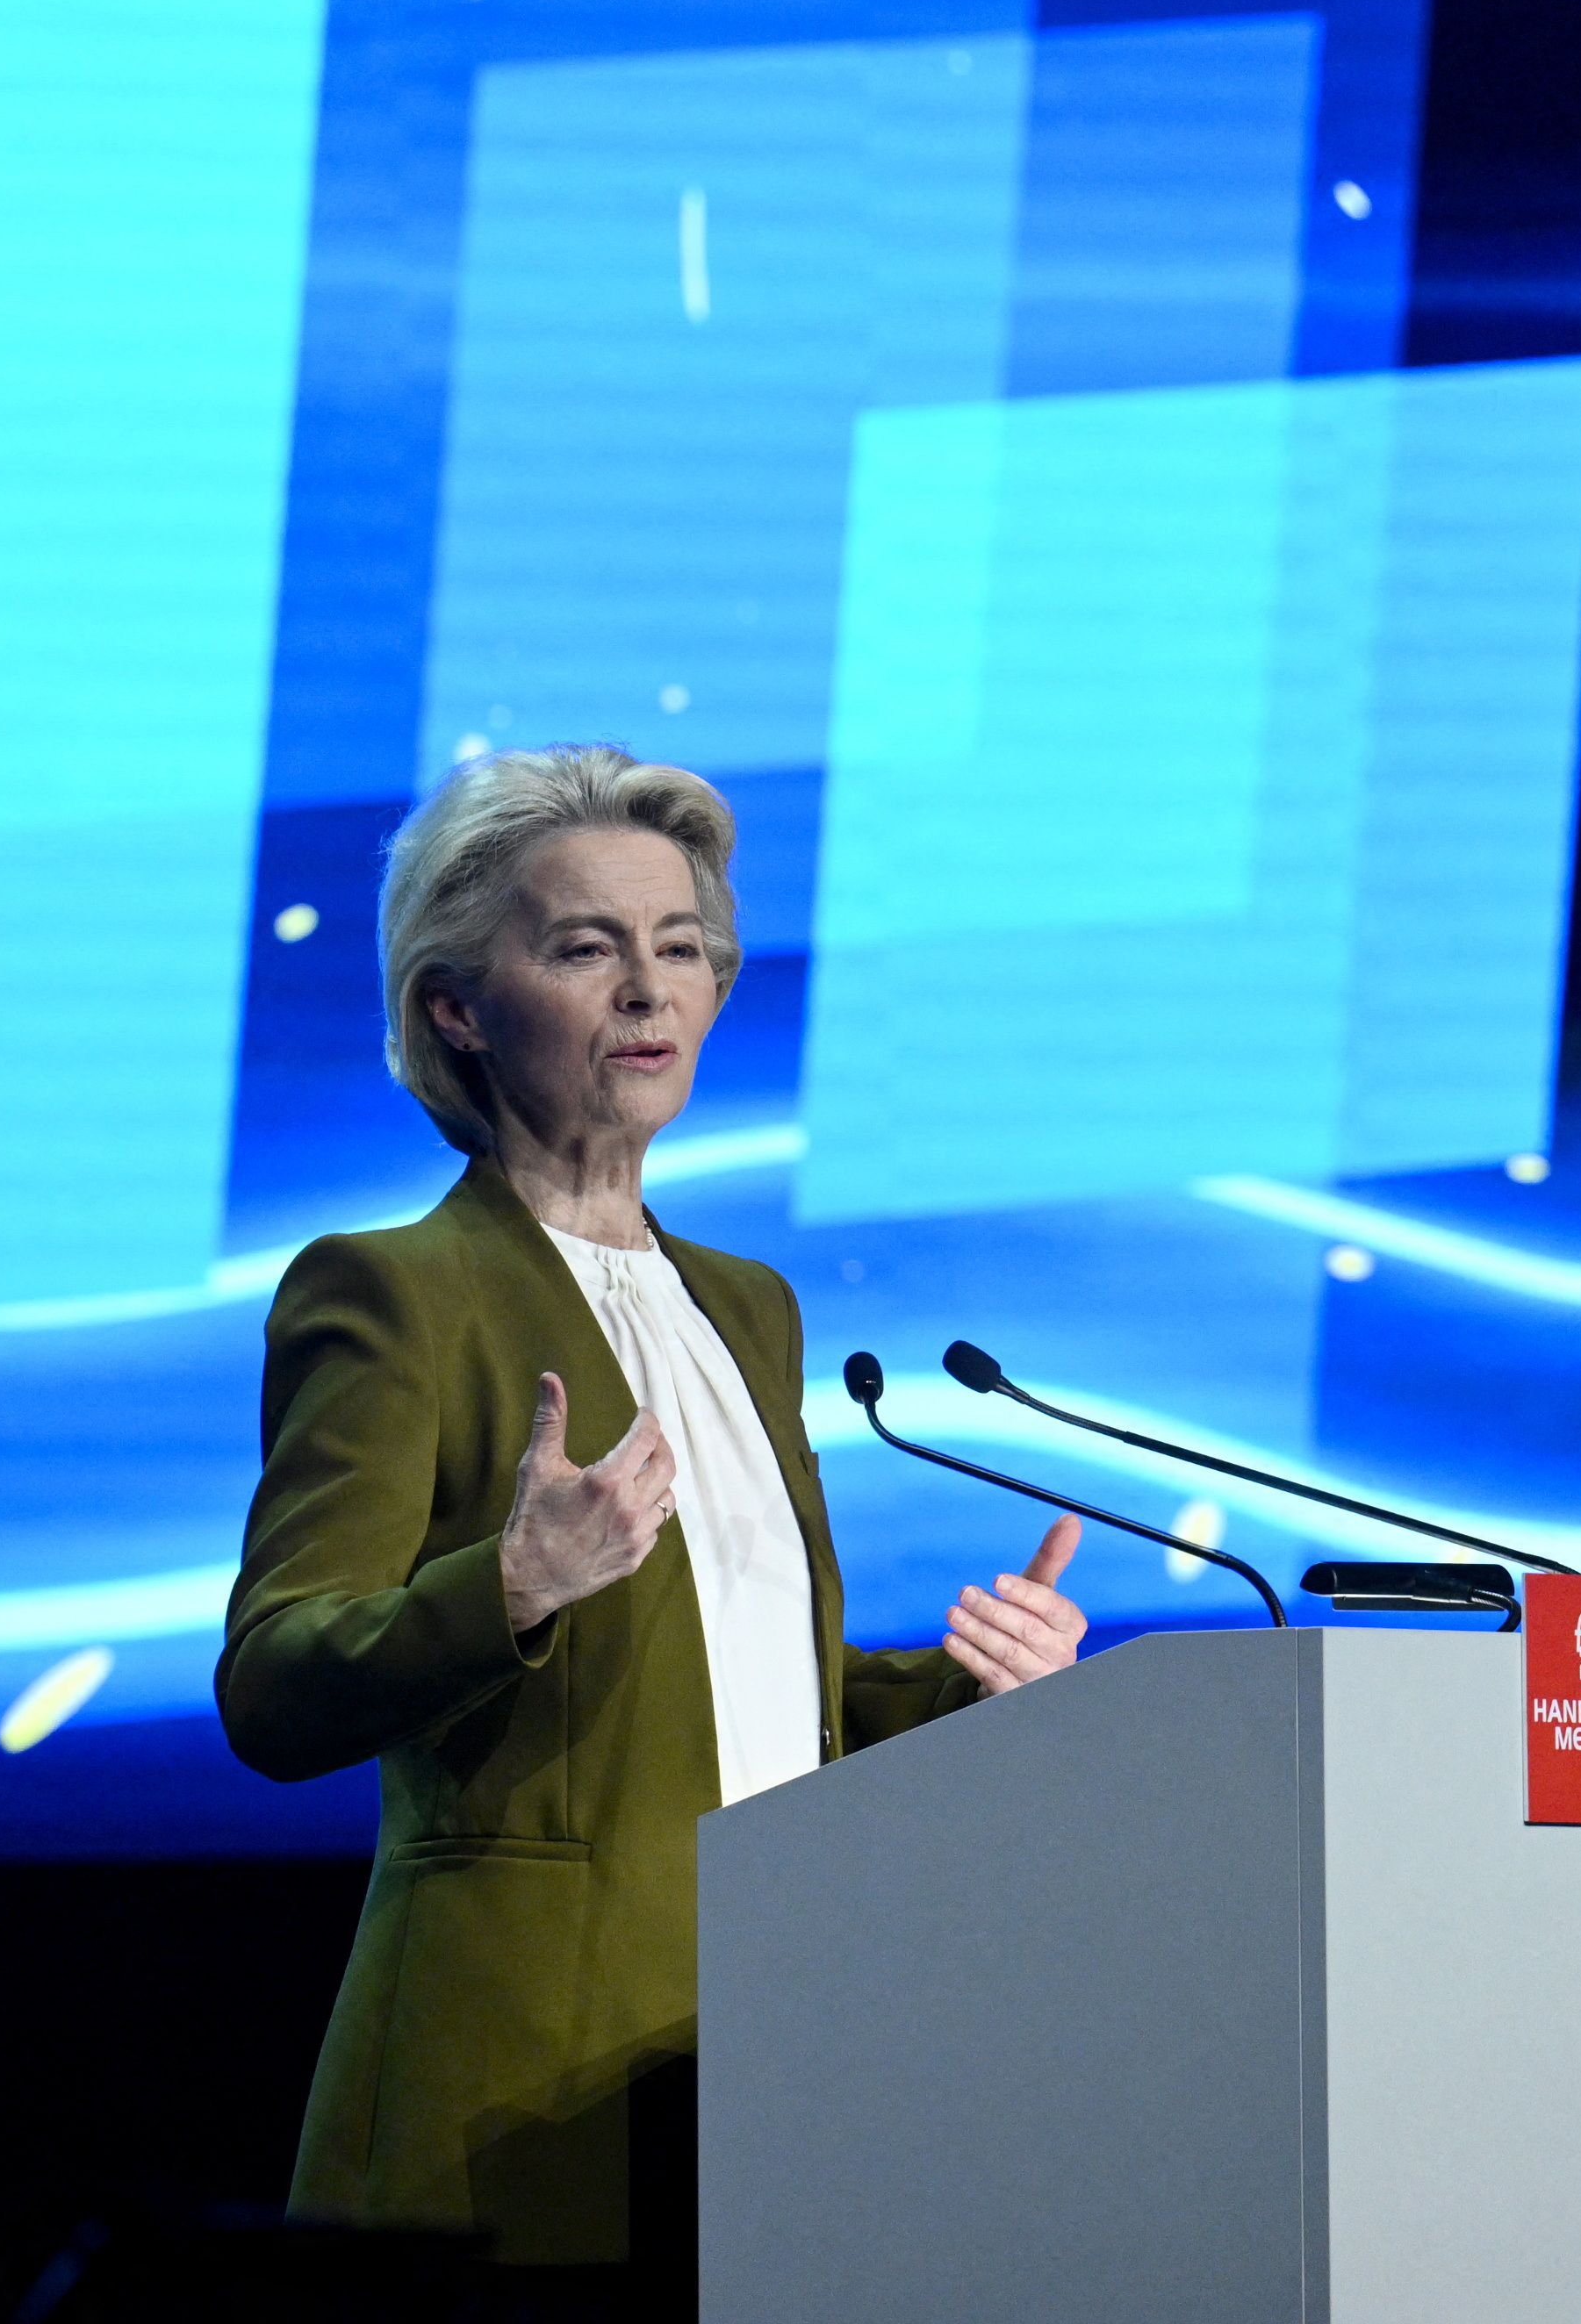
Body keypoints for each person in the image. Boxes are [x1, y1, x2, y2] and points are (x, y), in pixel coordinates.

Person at [221, 744, 1088, 2270]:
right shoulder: (389, 1298)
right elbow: (279, 1686)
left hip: (769, 2060)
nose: (651, 989)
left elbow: (746, 1711)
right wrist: (510, 1585)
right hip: (518, 2088)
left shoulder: (745, 1311)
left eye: (682, 948)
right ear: (457, 1008)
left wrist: (968, 1691)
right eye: (585, 948)